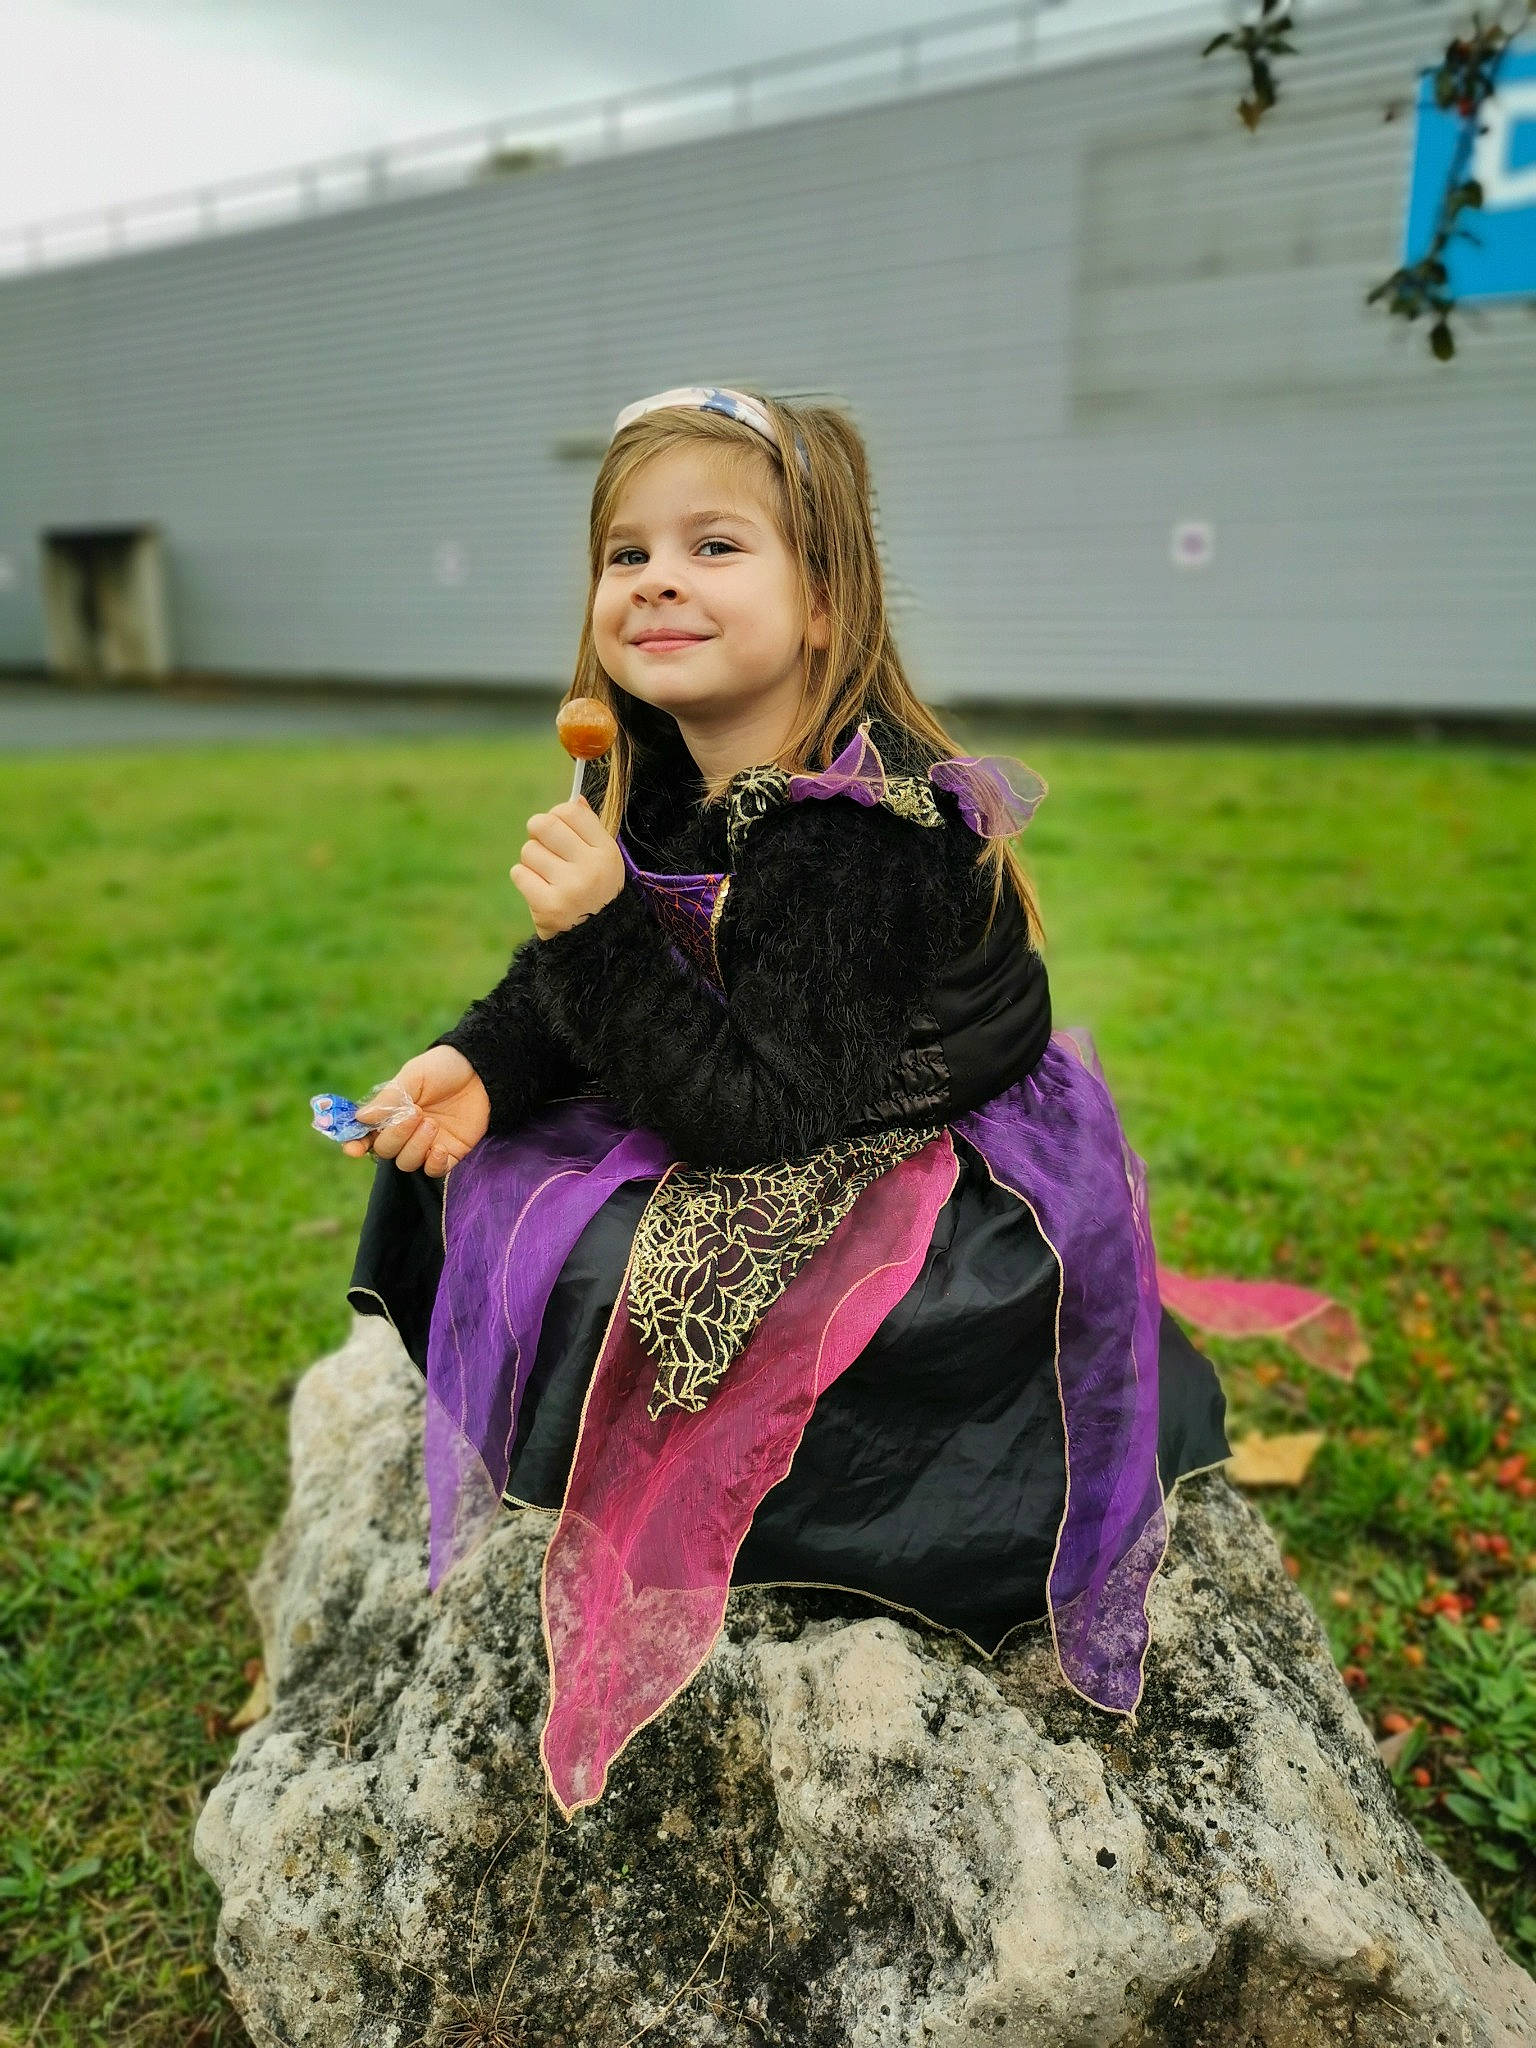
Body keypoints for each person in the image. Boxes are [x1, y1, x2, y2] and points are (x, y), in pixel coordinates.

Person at [339, 386, 1350, 1821]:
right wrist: (482, 1062)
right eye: (625, 555)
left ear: (822, 606)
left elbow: (751, 1113)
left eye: (713, 545)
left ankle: (834, 1510)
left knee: (619, 1280)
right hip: (779, 1087)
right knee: (471, 1159)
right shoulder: (682, 776)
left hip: (923, 1196)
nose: (658, 580)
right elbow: (606, 998)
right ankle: (592, 1427)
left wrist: (599, 934)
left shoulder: (854, 832)